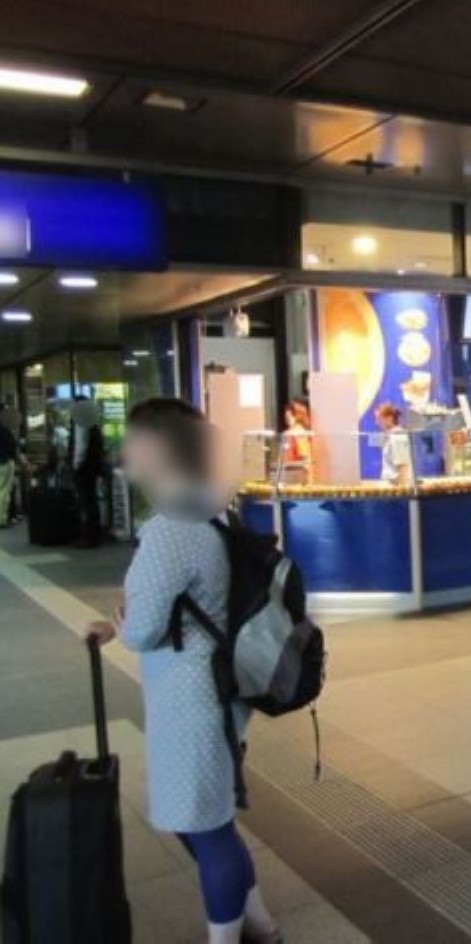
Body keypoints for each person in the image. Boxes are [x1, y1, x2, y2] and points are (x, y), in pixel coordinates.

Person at [83, 399, 280, 944]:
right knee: (206, 818)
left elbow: (144, 629)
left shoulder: (172, 528)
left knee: (205, 827)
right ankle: (262, 927)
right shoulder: (214, 513)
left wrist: (122, 625)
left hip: (190, 698)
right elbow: (186, 603)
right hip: (218, 689)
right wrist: (115, 624)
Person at [70, 396, 108, 547]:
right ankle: (94, 534)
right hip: (93, 466)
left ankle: (90, 536)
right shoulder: (93, 422)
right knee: (91, 501)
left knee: (86, 501)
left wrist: (76, 465)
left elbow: (81, 446)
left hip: (85, 468)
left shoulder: (82, 422)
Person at [375, 402, 412, 487]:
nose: (377, 423)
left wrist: (401, 489)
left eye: (379, 419)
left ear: (389, 418)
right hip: (390, 485)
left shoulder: (398, 437)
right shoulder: (390, 436)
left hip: (396, 486)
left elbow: (402, 466)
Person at [280, 400, 313, 481]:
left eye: (291, 415)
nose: (287, 418)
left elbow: (305, 458)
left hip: (296, 477)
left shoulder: (298, 432)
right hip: (289, 474)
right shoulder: (290, 433)